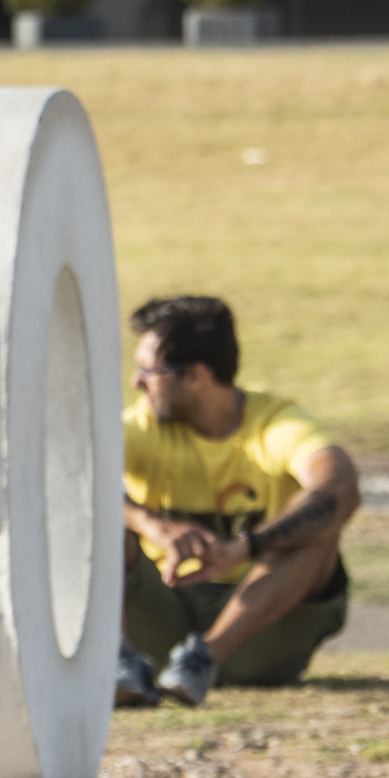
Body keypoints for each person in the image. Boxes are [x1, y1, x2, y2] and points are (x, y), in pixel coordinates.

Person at [119, 295, 361, 708]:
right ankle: (118, 662)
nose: (136, 383)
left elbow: (341, 486)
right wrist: (148, 523)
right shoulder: (144, 423)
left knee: (324, 522)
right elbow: (69, 479)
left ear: (194, 376)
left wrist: (246, 548)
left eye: (148, 371)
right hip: (165, 609)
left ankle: (204, 657)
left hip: (257, 628)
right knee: (100, 515)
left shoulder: (273, 423)